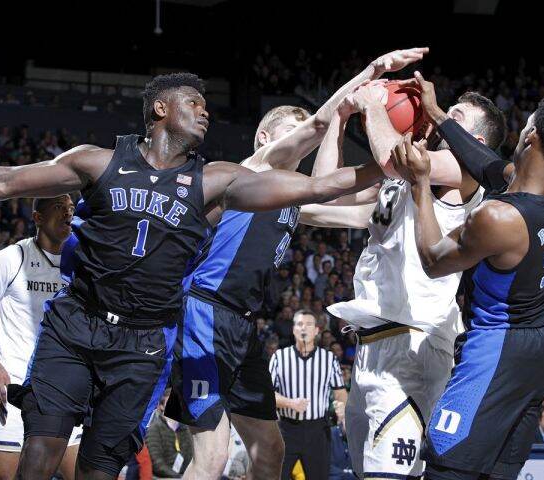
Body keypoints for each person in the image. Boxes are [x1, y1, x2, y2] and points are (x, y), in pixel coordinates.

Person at [0, 72, 383, 479]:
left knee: (109, 468)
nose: (206, 110)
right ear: (161, 109)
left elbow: (327, 186)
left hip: (160, 337)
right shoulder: (112, 164)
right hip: (117, 320)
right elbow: (3, 180)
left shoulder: (233, 185)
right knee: (45, 454)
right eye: (194, 102)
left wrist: (400, 160)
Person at [171, 48, 427, 480]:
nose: (301, 142)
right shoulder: (250, 170)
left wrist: (405, 152)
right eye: (292, 133)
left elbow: (361, 211)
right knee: (211, 458)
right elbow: (318, 125)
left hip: (242, 327)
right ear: (266, 140)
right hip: (204, 313)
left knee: (270, 450)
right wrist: (369, 75)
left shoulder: (294, 202)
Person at [391, 71, 544, 479]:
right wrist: (437, 113)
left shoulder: (499, 217)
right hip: (540, 347)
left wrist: (420, 182)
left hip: (498, 348)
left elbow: (433, 259)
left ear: (531, 136)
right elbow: (489, 166)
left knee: (447, 466)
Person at [302, 81, 505, 478]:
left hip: (415, 345)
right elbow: (323, 194)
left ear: (474, 141)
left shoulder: (464, 173)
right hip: (373, 346)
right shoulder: (403, 179)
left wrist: (374, 106)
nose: (438, 115)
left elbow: (394, 159)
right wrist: (340, 121)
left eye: (455, 118)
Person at [0, 195, 83, 480]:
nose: (67, 214)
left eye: (71, 209)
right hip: (11, 387)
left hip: (64, 390)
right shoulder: (11, 258)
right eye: (58, 208)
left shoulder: (81, 263)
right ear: (38, 218)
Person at [269, 309, 347, 479]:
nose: (304, 328)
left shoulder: (329, 359)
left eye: (309, 324)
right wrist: (290, 403)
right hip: (286, 430)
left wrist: (342, 409)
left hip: (318, 431)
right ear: (293, 329)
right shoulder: (279, 358)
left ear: (317, 330)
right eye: (299, 324)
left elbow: (340, 393)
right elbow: (267, 395)